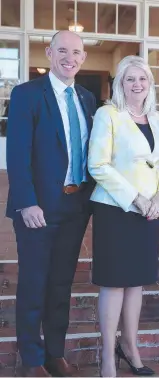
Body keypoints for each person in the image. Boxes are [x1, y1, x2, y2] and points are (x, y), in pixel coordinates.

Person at [5, 30, 96, 377]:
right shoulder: (27, 94)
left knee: (61, 284)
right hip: (38, 209)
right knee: (33, 283)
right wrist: (26, 203)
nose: (69, 57)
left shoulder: (88, 99)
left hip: (75, 207)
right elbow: (17, 154)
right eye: (62, 50)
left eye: (76, 52)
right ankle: (31, 360)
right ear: (49, 53)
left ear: (83, 57)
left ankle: (54, 353)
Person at [88, 55, 159, 377]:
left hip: (150, 211)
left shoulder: (158, 119)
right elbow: (98, 164)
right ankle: (108, 356)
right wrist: (135, 198)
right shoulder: (108, 115)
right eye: (130, 79)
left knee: (136, 283)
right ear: (120, 84)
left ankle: (131, 348)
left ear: (150, 83)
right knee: (114, 283)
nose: (137, 85)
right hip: (116, 209)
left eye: (142, 79)